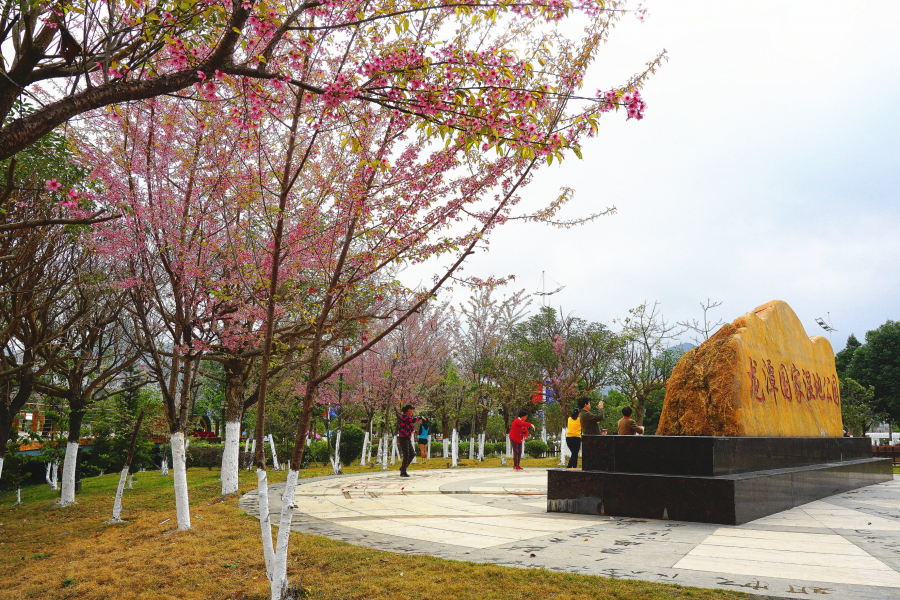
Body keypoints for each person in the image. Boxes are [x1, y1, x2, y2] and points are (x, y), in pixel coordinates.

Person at [397, 404, 420, 477]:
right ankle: (403, 472)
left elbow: (411, 425)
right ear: (408, 410)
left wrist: (414, 430)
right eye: (412, 410)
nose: (412, 411)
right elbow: (412, 420)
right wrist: (420, 418)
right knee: (406, 455)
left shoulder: (408, 418)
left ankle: (403, 468)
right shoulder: (404, 416)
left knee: (412, 454)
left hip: (407, 438)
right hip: (403, 438)